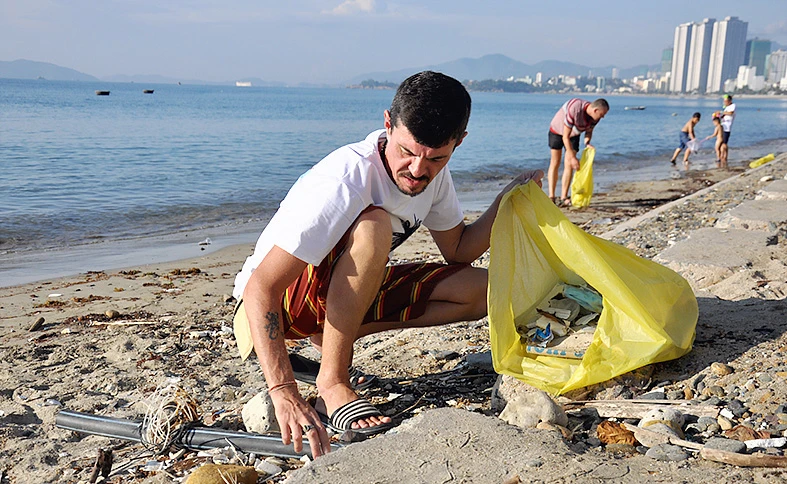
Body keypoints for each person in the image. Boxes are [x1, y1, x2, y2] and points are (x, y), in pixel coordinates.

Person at [231, 71, 544, 458]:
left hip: (336, 295)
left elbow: (459, 250)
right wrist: (283, 392)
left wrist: (505, 200)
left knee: (484, 291)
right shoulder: (347, 180)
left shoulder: (434, 174)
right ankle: (332, 382)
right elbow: (261, 288)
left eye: (435, 158)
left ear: (458, 143)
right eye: (407, 152)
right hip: (274, 308)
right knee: (375, 223)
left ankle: (331, 340)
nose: (417, 170)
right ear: (387, 124)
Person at [547, 98, 609, 206]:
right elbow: (565, 137)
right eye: (602, 114)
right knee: (555, 162)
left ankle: (563, 197)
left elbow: (589, 131)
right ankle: (551, 196)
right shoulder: (575, 109)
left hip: (574, 134)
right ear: (595, 110)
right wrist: (572, 156)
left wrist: (587, 142)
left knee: (569, 165)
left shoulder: (595, 118)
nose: (602, 117)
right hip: (557, 131)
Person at [716, 94, 736, 168]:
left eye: (726, 101)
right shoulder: (726, 108)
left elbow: (731, 113)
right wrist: (718, 115)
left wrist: (721, 112)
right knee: (723, 143)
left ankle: (723, 157)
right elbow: (723, 115)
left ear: (729, 101)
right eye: (724, 101)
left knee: (724, 143)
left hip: (727, 128)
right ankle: (723, 156)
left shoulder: (732, 106)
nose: (725, 102)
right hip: (723, 126)